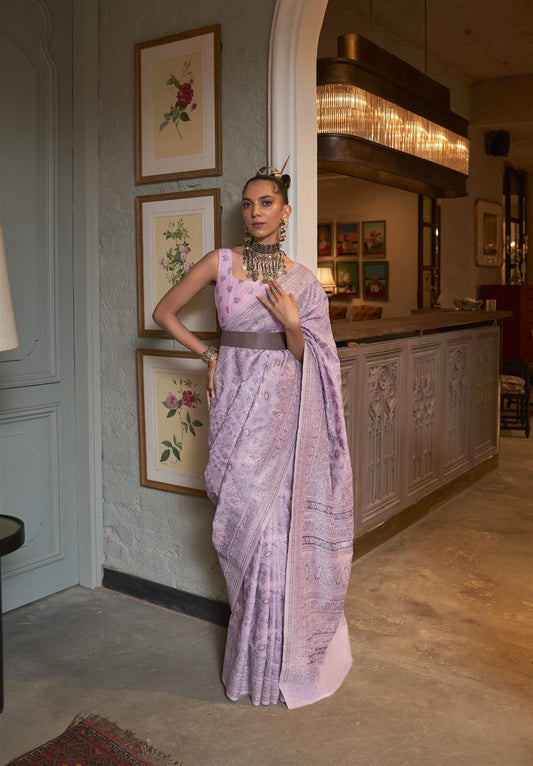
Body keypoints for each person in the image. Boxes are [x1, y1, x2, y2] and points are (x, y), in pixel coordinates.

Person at [152, 165, 354, 709]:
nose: (256, 211)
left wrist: (292, 322)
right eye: (248, 203)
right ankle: (249, 664)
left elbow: (313, 357)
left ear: (285, 211)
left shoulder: (302, 280)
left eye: (267, 202)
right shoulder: (221, 263)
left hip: (282, 411)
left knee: (273, 535)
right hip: (235, 406)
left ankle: (269, 668)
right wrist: (209, 352)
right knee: (240, 523)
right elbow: (163, 312)